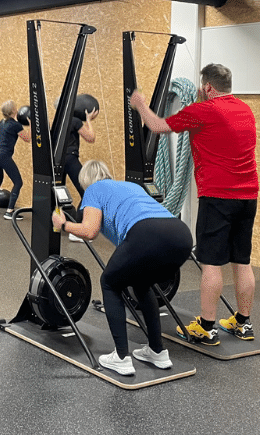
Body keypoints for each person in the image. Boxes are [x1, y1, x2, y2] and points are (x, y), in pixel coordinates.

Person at [130, 63, 258, 345]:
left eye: (202, 86)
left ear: (208, 87)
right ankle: (243, 322)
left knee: (211, 263)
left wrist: (140, 104)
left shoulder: (203, 111)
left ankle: (207, 327)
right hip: (248, 197)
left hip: (218, 197)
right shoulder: (245, 109)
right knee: (241, 261)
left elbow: (156, 126)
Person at [52, 160, 192, 375]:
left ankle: (121, 357)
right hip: (181, 236)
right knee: (142, 284)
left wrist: (63, 224)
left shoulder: (93, 190)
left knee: (109, 283)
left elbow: (90, 231)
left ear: (85, 181)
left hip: (146, 233)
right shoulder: (131, 186)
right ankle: (157, 351)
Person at [0, 100, 30, 220]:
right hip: (3, 155)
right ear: (14, 111)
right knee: (18, 182)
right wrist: (31, 125)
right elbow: (28, 139)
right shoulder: (15, 125)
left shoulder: (2, 122)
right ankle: (10, 212)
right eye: (15, 107)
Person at [61, 101, 98, 241]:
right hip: (70, 159)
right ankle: (77, 230)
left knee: (56, 194)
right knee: (88, 191)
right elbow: (91, 138)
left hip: (58, 160)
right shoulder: (75, 121)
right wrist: (88, 120)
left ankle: (56, 225)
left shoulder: (59, 121)